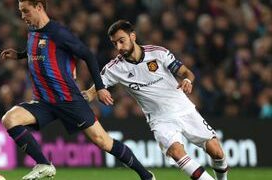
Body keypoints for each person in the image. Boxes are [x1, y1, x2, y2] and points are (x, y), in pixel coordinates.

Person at [0, 1, 155, 180]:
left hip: (68, 100)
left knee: (103, 142)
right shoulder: (33, 32)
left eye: (25, 11)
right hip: (45, 101)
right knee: (9, 119)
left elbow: (88, 55)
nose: (22, 16)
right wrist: (19, 54)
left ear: (39, 7)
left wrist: (100, 87)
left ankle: (146, 176)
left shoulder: (58, 33)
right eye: (21, 12)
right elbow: (39, 51)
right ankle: (44, 164)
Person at [83, 20, 229, 180]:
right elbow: (93, 90)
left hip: (184, 108)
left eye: (121, 41)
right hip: (160, 120)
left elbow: (187, 72)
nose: (118, 47)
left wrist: (187, 80)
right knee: (176, 152)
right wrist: (85, 96)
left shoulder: (158, 53)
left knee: (217, 152)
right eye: (114, 43)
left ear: (132, 36)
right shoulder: (115, 68)